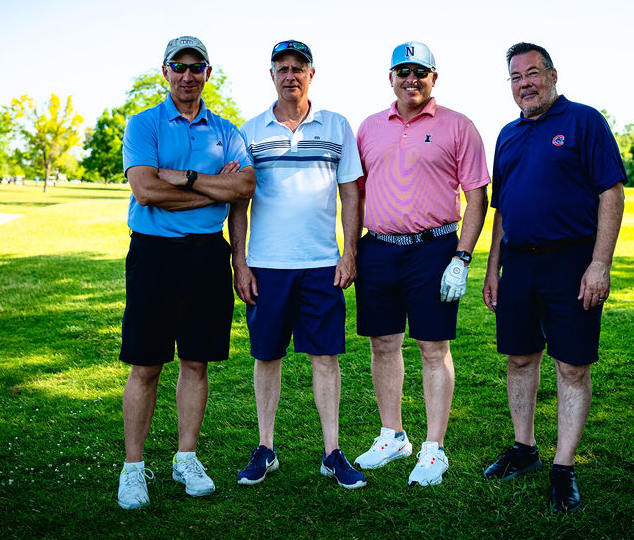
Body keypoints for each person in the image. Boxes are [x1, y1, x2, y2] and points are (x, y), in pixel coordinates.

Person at [481, 42, 626, 513]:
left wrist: (600, 263)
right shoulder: (507, 135)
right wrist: (493, 268)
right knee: (520, 358)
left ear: (552, 74)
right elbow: (501, 209)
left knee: (572, 365)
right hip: (518, 264)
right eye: (515, 77)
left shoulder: (584, 121)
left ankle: (564, 467)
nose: (524, 83)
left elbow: (611, 192)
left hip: (572, 261)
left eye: (532, 73)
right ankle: (524, 449)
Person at [116, 35, 256, 510]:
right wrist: (215, 189)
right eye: (180, 66)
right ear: (165, 71)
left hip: (207, 256)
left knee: (196, 361)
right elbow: (146, 191)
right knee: (146, 364)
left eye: (197, 67)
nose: (188, 75)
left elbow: (245, 187)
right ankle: (133, 468)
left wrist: (186, 178)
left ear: (208, 73)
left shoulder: (227, 132)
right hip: (154, 254)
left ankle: (186, 458)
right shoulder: (144, 124)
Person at [228, 40, 366, 489]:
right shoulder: (249, 131)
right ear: (271, 75)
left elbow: (351, 194)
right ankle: (265, 448)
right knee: (267, 355)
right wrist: (240, 262)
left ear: (311, 74)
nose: (290, 75)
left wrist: (349, 252)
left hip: (322, 264)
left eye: (298, 68)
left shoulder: (336, 125)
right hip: (266, 266)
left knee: (325, 357)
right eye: (282, 68)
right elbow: (239, 202)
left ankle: (332, 452)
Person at [353, 41, 489, 486]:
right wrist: (352, 250)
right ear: (391, 77)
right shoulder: (369, 127)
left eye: (420, 72)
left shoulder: (458, 125)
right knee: (382, 344)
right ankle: (392, 436)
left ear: (434, 77)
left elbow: (476, 196)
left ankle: (434, 447)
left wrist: (461, 257)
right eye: (403, 71)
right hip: (379, 248)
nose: (411, 79)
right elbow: (355, 192)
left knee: (433, 348)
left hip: (434, 248)